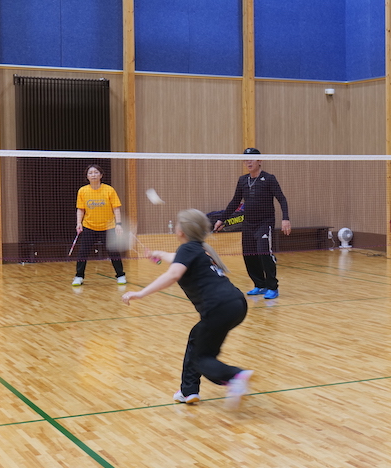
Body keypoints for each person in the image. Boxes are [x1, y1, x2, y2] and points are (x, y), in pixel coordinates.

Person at [122, 209, 253, 408]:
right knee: (196, 338)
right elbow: (177, 258)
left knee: (201, 358)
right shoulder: (199, 249)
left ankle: (235, 376)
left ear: (181, 231)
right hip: (236, 304)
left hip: (218, 307)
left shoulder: (187, 249)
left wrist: (141, 293)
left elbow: (173, 274)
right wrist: (159, 254)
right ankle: (188, 391)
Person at [214, 148, 291, 299]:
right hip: (248, 224)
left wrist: (285, 218)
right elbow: (235, 201)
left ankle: (272, 287)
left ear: (259, 160)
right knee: (249, 254)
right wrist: (221, 219)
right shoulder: (243, 180)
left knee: (263, 253)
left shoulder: (269, 179)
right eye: (246, 159)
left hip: (265, 223)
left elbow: (281, 198)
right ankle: (259, 285)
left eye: (251, 159)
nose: (248, 162)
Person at [73, 164, 126, 286]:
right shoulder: (82, 191)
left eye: (96, 172)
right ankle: (78, 276)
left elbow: (116, 208)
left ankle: (120, 275)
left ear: (101, 175)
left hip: (108, 227)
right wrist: (78, 223)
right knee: (83, 252)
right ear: (87, 176)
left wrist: (118, 224)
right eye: (90, 173)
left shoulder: (109, 190)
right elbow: (80, 209)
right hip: (89, 226)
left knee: (113, 252)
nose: (93, 175)